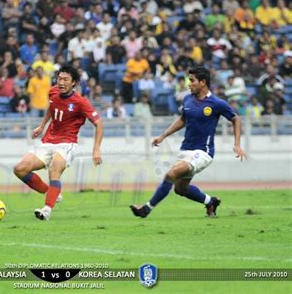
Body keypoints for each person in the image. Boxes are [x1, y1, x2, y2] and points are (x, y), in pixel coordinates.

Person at [130, 67, 246, 218]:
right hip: (186, 150)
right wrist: (163, 136)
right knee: (180, 189)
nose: (188, 84)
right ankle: (211, 202)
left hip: (203, 152)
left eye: (192, 80)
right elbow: (183, 119)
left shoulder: (216, 103)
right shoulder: (187, 99)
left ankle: (146, 208)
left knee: (171, 174)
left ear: (203, 82)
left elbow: (236, 119)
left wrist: (236, 144)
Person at [13, 66, 104, 221]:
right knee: (19, 169)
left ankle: (47, 210)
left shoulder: (81, 102)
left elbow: (99, 123)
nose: (61, 82)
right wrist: (42, 126)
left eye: (65, 79)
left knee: (55, 167)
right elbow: (52, 107)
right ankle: (53, 192)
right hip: (48, 141)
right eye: (59, 78)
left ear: (74, 82)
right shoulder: (53, 91)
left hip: (67, 144)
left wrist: (96, 150)